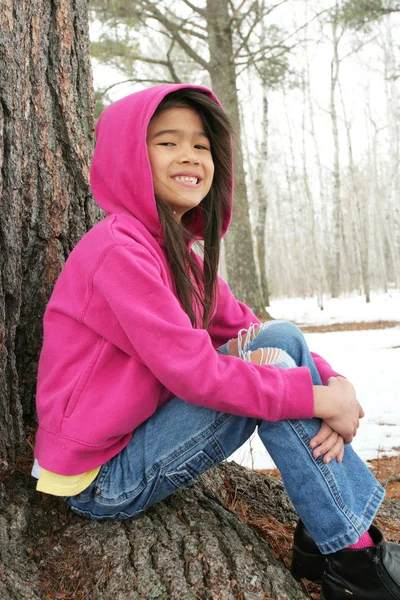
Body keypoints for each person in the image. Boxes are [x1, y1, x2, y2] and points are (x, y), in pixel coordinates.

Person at [32, 84, 400, 599]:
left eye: (201, 145)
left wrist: (336, 384)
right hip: (102, 478)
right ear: (127, 159)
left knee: (280, 339)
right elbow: (194, 374)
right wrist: (317, 399)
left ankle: (334, 538)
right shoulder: (118, 251)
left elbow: (250, 328)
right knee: (272, 369)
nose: (189, 156)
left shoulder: (178, 254)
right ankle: (352, 555)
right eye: (167, 143)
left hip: (135, 442)